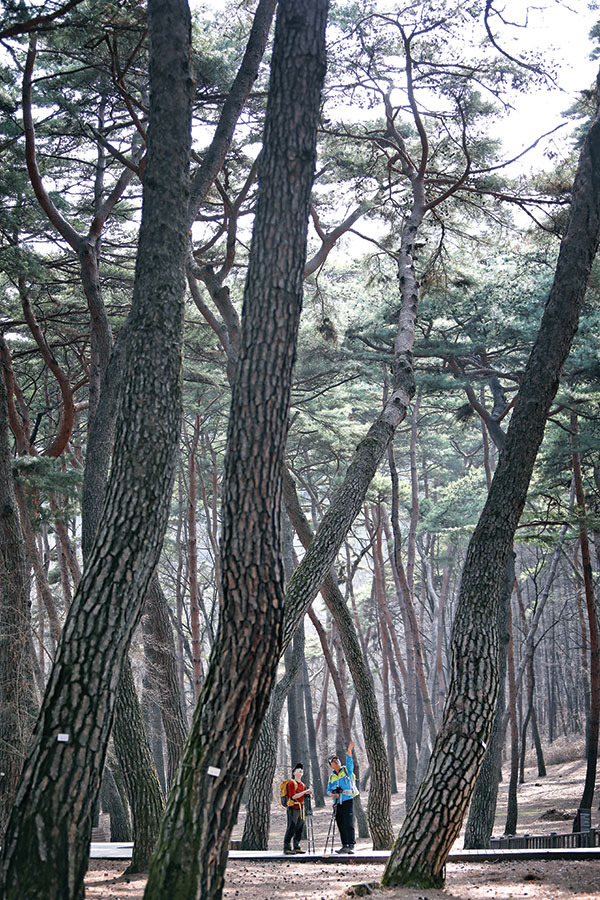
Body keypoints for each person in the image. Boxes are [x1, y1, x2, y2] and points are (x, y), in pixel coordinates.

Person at [326, 740, 356, 854]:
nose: (336, 762)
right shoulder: (331, 777)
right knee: (340, 823)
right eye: (333, 762)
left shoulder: (346, 770)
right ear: (330, 766)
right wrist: (332, 794)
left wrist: (349, 751)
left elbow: (350, 763)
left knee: (348, 822)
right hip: (337, 802)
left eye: (337, 760)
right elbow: (328, 790)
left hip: (347, 800)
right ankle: (344, 845)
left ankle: (350, 844)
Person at [283, 763, 312, 855]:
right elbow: (293, 796)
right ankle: (287, 848)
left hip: (301, 808)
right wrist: (304, 792)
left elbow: (302, 796)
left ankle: (296, 846)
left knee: (299, 828)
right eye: (298, 769)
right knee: (291, 827)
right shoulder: (292, 783)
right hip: (293, 808)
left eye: (301, 770)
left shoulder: (303, 785)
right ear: (294, 773)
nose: (300, 770)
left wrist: (307, 794)